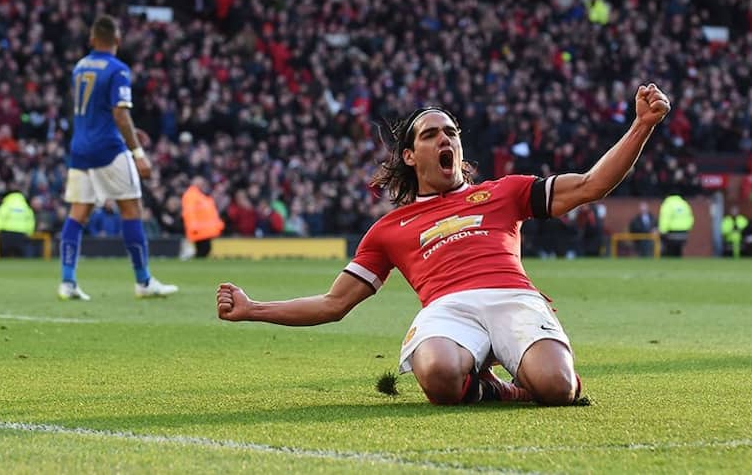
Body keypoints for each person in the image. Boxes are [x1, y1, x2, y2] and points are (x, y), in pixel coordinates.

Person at [217, 83, 671, 406]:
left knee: (556, 388)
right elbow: (334, 304)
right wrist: (253, 308)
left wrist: (641, 125)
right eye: (431, 134)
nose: (445, 138)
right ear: (411, 156)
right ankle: (500, 388)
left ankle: (543, 375)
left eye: (450, 131)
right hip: (447, 308)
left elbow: (591, 185)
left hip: (513, 297)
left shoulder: (503, 191)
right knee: (436, 375)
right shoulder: (389, 228)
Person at [57, 15, 178, 301]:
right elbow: (119, 113)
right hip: (108, 149)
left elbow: (96, 111)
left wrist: (129, 131)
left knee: (78, 213)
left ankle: (67, 282)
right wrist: (138, 152)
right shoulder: (118, 69)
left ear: (91, 39)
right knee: (131, 209)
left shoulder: (80, 66)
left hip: (80, 148)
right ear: (118, 41)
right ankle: (143, 281)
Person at [181, 176, 224, 258]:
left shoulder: (201, 195)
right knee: (203, 250)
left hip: (205, 230)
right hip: (199, 230)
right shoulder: (191, 195)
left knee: (205, 250)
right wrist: (192, 227)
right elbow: (189, 212)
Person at [0, 190, 36, 258]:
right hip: (21, 233)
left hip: (7, 232)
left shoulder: (6, 205)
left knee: (5, 254)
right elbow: (30, 219)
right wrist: (29, 232)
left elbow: (0, 217)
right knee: (19, 255)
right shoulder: (25, 206)